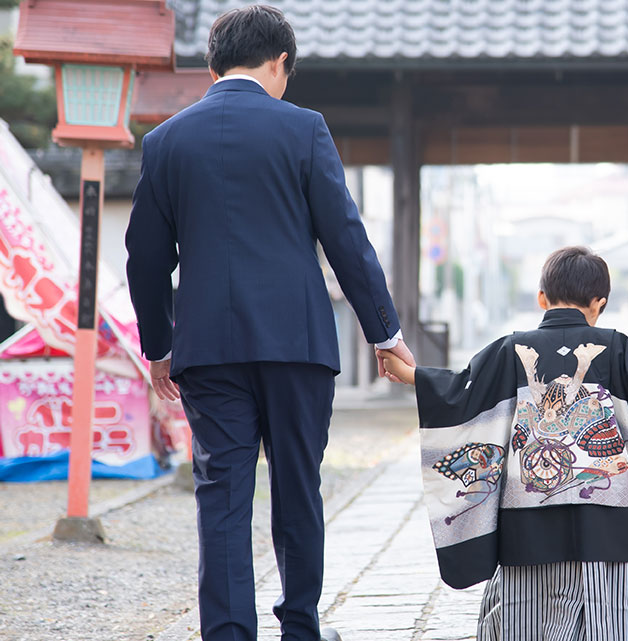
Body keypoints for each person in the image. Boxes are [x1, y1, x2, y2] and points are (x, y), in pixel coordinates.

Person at [124, 6, 414, 641]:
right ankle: (300, 628)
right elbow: (346, 238)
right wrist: (385, 335)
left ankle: (228, 633)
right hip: (297, 344)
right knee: (297, 485)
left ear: (212, 63)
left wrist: (160, 346)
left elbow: (145, 257)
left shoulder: (168, 140)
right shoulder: (303, 129)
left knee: (222, 492)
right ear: (281, 62)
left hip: (207, 349)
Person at [380, 246, 628, 641]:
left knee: (526, 617)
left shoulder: (510, 348)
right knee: (608, 617)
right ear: (599, 304)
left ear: (542, 298)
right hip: (603, 519)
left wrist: (415, 376)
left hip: (528, 519)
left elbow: (460, 391)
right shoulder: (616, 345)